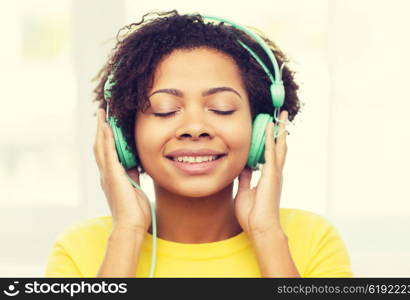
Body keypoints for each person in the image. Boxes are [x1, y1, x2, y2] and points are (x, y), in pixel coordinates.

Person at [44, 10, 353, 278]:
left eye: (221, 108)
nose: (194, 128)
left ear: (263, 130)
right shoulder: (80, 249)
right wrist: (127, 233)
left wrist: (267, 235)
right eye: (164, 109)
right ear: (124, 134)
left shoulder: (311, 240)